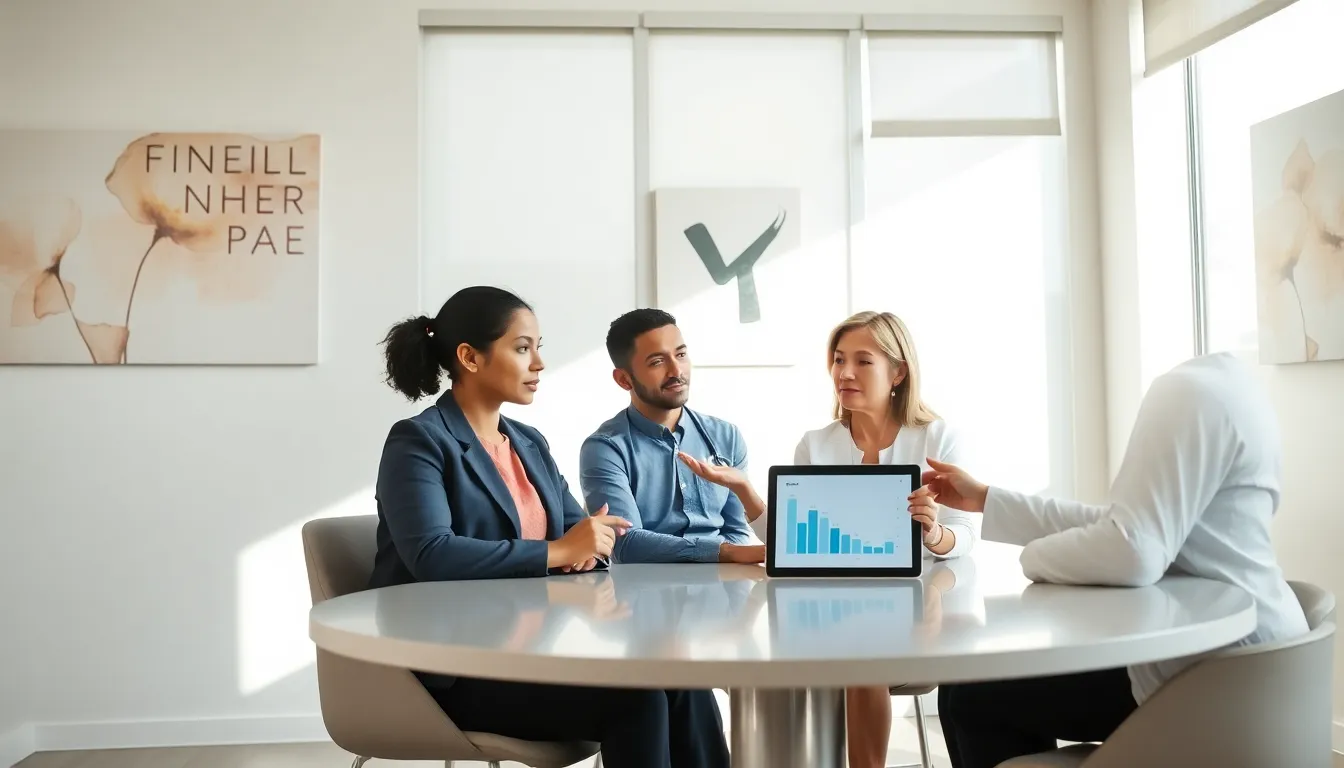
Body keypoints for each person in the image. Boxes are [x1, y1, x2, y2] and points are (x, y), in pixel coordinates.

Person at [369, 286, 730, 768]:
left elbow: (585, 531)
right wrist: (558, 552)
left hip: (537, 647)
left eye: (539, 347)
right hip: (456, 667)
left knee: (683, 679)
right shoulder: (418, 441)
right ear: (469, 358)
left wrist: (586, 547)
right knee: (637, 701)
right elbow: (432, 554)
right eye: (523, 348)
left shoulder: (527, 443)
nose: (538, 363)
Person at [925, 351, 1310, 768]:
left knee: (971, 696)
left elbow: (1132, 550)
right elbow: (1118, 524)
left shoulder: (1185, 393)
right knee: (969, 687)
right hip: (1252, 662)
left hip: (1206, 685)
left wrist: (1032, 559)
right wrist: (984, 499)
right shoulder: (1235, 386)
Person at [682, 310, 979, 768]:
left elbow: (965, 537)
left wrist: (934, 532)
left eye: (863, 361)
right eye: (839, 360)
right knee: (787, 648)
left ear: (898, 372)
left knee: (861, 658)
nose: (844, 373)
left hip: (917, 608)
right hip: (827, 608)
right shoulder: (816, 445)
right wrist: (743, 488)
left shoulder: (938, 438)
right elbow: (788, 541)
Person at [579, 308, 763, 564]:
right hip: (644, 593)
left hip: (725, 584)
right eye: (657, 362)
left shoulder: (726, 436)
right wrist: (724, 553)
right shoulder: (606, 448)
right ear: (624, 379)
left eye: (681, 354)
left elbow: (736, 531)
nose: (676, 370)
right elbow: (626, 544)